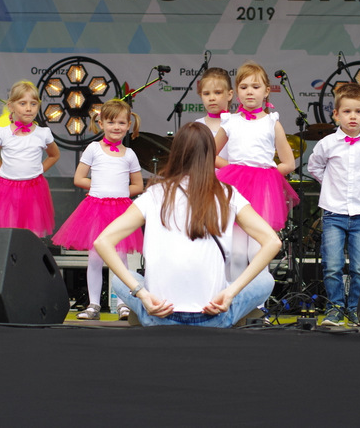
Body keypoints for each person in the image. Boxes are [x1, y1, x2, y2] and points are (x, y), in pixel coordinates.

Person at [94, 122, 281, 327]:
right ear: (210, 155)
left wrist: (143, 294)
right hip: (214, 319)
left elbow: (102, 241)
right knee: (265, 280)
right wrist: (230, 293)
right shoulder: (228, 194)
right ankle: (235, 310)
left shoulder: (154, 194)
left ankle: (142, 308)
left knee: (122, 279)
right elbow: (272, 241)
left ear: (175, 153)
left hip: (158, 318)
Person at [53, 99, 144, 321]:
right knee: (95, 257)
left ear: (129, 125)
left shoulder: (129, 154)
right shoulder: (93, 148)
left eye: (121, 123)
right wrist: (99, 188)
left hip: (120, 210)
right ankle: (93, 304)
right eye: (111, 122)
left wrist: (119, 191)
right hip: (95, 208)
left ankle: (123, 304)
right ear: (101, 123)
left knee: (120, 258)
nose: (116, 127)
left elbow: (138, 185)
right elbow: (79, 178)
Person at [307, 83, 360, 327]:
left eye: (358, 111)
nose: (352, 116)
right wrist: (330, 184)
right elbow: (314, 166)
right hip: (333, 214)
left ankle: (355, 309)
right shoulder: (327, 143)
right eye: (346, 111)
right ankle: (334, 308)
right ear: (336, 114)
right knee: (332, 265)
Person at [213, 61, 297, 281]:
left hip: (263, 190)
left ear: (266, 91)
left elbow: (289, 163)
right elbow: (209, 153)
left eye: (255, 86)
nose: (249, 91)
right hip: (235, 188)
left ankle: (259, 299)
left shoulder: (272, 122)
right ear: (236, 91)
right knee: (236, 253)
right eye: (244, 87)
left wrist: (266, 175)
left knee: (258, 250)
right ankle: (234, 297)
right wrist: (234, 169)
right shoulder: (230, 122)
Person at [0, 80, 60, 237]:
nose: (28, 108)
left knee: (32, 231)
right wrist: (3, 169)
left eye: (33, 104)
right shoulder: (3, 133)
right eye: (22, 103)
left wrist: (40, 169)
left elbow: (54, 155)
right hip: (7, 188)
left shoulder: (43, 133)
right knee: (8, 228)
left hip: (34, 188)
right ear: (11, 106)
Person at [195, 67, 232, 162]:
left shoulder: (238, 123)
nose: (211, 98)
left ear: (229, 95)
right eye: (206, 93)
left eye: (218, 92)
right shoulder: (197, 126)